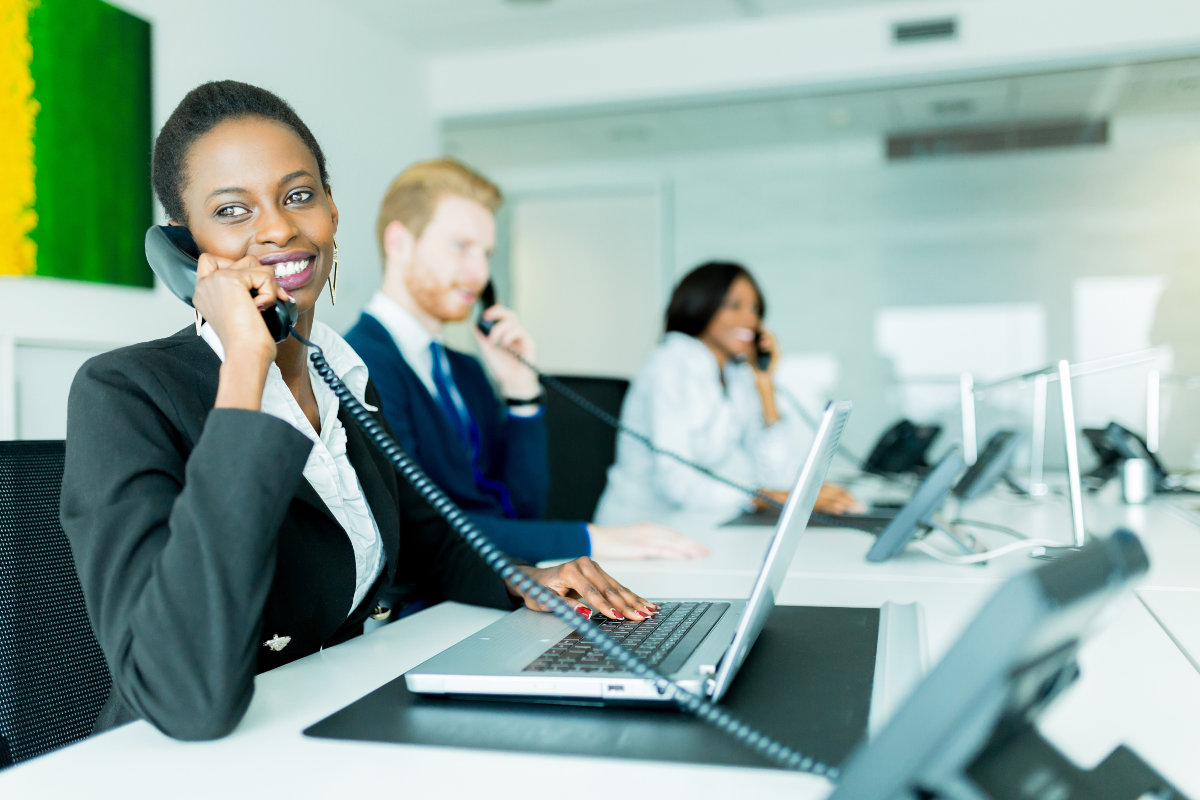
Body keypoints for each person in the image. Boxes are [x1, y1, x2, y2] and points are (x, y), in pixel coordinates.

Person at [59, 81, 657, 742]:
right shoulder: (123, 393)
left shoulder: (344, 376)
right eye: (232, 210)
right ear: (183, 245)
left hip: (325, 725)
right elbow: (183, 697)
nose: (280, 227)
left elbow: (424, 540)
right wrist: (246, 367)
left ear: (333, 214)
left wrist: (527, 579)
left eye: (298, 195)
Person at [343, 158, 707, 563]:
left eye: (486, 254)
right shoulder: (358, 364)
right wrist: (588, 540)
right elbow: (420, 532)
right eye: (462, 247)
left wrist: (521, 394)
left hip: (498, 586)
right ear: (399, 243)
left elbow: (522, 508)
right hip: (427, 605)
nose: (480, 273)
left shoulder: (464, 370)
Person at [594, 261, 861, 524]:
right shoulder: (670, 364)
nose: (750, 319)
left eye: (755, 309)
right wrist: (766, 498)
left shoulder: (735, 375)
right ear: (700, 306)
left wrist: (765, 385)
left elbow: (774, 476)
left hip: (701, 524)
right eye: (734, 306)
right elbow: (675, 482)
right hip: (639, 529)